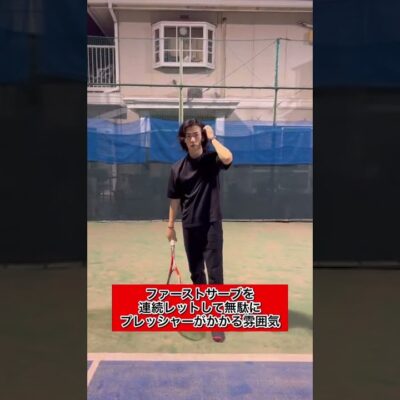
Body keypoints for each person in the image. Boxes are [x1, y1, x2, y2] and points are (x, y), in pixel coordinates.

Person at [166, 119, 233, 343]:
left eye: (196, 134)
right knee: (196, 274)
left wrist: (213, 138)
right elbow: (174, 200)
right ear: (184, 140)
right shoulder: (177, 169)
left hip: (211, 225)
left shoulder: (213, 160)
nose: (192, 139)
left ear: (201, 137)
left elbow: (228, 158)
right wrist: (170, 226)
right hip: (189, 226)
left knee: (215, 274)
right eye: (188, 136)